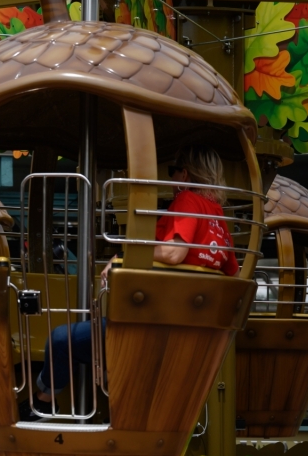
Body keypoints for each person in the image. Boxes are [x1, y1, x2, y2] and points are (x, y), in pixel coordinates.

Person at [19, 145, 237, 420]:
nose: (171, 179)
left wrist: (123, 256)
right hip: (187, 329)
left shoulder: (187, 200)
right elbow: (232, 273)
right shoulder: (217, 216)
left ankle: (42, 406)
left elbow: (174, 252)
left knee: (60, 340)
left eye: (173, 171)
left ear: (185, 175)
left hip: (149, 323)